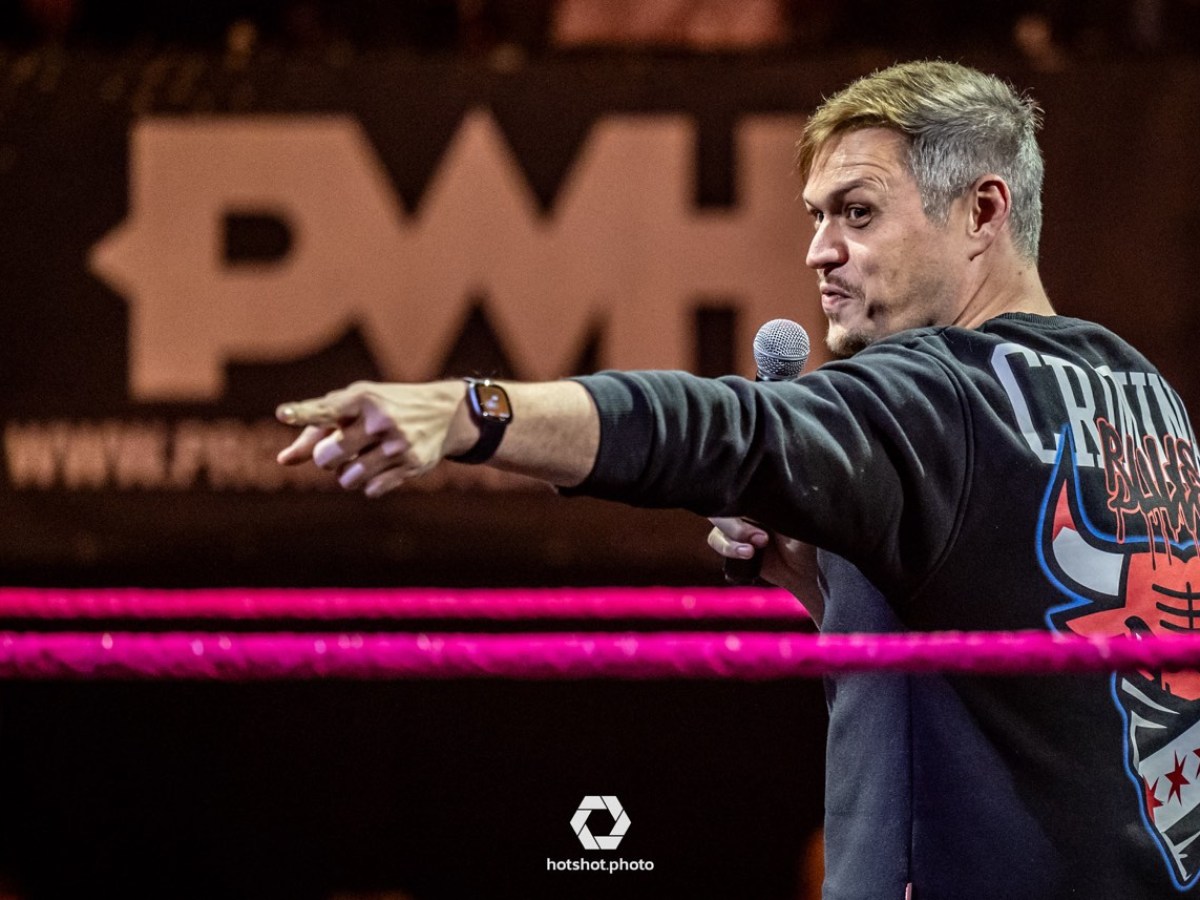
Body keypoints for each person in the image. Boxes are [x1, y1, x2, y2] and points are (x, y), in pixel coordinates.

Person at [277, 61, 1200, 899]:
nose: (820, 251)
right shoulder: (1143, 395)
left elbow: (722, 429)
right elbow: (1038, 658)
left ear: (984, 212)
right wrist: (826, 581)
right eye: (817, 215)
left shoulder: (947, 392)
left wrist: (471, 413)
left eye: (859, 212)